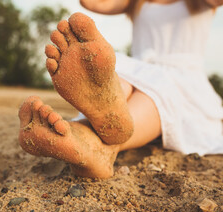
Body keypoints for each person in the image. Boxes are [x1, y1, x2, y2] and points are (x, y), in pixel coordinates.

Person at [18, 0, 223, 179]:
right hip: (138, 69)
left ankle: (92, 137)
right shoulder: (137, 1)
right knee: (118, 82)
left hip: (181, 76)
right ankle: (102, 129)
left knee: (159, 93)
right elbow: (91, 2)